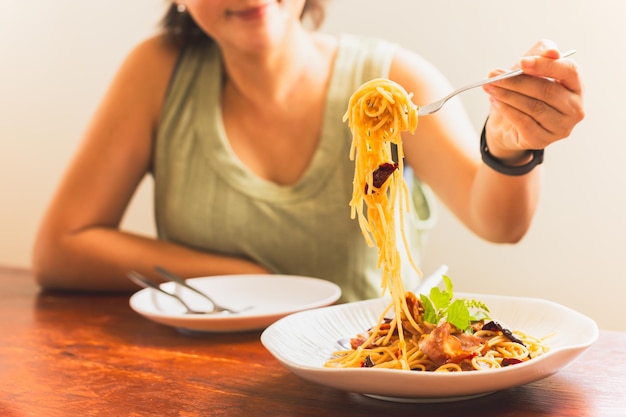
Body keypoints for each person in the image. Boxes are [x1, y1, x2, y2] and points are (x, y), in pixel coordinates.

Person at [32, 1, 584, 302]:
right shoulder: (157, 72)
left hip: (368, 374)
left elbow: (497, 222)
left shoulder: (393, 81)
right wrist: (242, 276)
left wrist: (512, 146)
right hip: (204, 377)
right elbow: (62, 249)